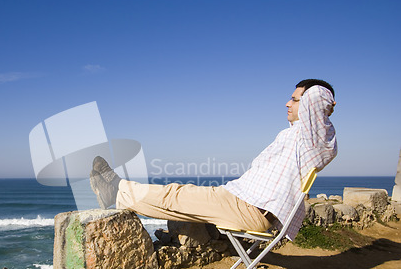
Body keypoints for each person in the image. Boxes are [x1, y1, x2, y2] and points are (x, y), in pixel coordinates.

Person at [89, 79, 337, 240]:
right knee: (178, 194)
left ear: (313, 105)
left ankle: (117, 189)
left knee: (173, 195)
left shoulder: (314, 140)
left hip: (250, 208)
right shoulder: (297, 135)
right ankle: (120, 193)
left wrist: (324, 100)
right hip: (242, 200)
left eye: (294, 99)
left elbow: (317, 99)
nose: (287, 103)